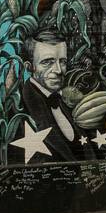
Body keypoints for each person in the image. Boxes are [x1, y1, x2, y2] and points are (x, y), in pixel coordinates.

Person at [14, 30, 80, 163]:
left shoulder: (66, 100)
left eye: (62, 61)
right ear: (29, 67)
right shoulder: (20, 107)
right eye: (47, 62)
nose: (58, 70)